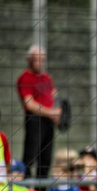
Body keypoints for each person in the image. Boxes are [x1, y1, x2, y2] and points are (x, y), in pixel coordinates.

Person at [17, 45, 62, 180]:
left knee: (46, 159)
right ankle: (26, 187)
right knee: (30, 156)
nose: (39, 63)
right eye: (36, 59)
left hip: (48, 122)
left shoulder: (47, 78)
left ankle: (41, 190)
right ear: (29, 60)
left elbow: (55, 96)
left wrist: (58, 112)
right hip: (35, 121)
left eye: (42, 60)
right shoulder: (25, 78)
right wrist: (51, 113)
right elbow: (29, 104)